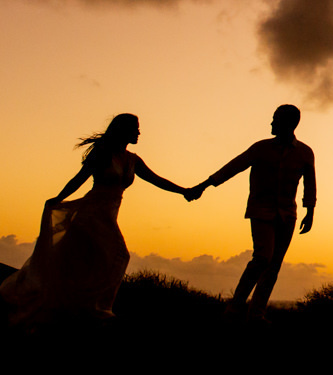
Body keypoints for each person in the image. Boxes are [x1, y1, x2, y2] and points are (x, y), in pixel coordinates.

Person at [0, 113, 194, 324]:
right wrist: (59, 198)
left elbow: (157, 180)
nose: (139, 132)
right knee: (120, 255)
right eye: (135, 128)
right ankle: (96, 308)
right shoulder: (103, 153)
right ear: (123, 130)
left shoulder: (133, 160)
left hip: (108, 216)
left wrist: (183, 191)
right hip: (90, 215)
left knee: (91, 263)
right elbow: (79, 178)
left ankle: (82, 306)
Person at [189, 104, 315, 319]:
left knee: (274, 265)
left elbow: (310, 184)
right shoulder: (260, 148)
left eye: (275, 119)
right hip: (261, 211)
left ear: (289, 123)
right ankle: (235, 307)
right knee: (262, 258)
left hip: (287, 214)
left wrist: (309, 212)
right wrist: (204, 185)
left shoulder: (304, 152)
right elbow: (233, 167)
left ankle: (256, 312)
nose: (271, 123)